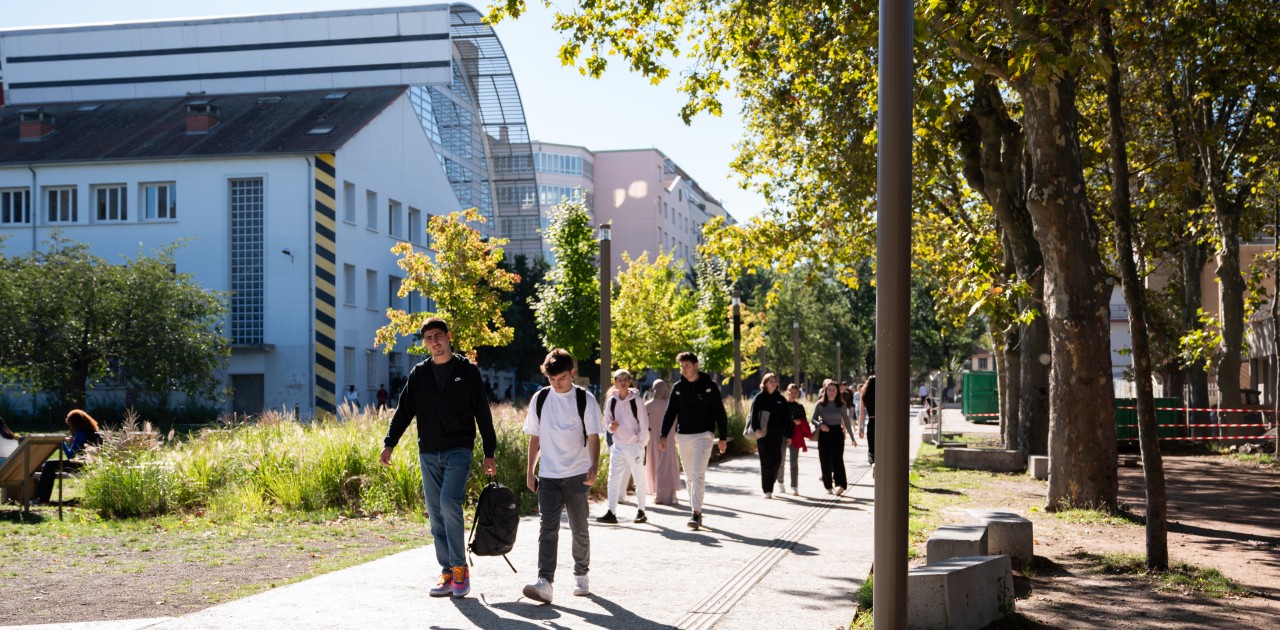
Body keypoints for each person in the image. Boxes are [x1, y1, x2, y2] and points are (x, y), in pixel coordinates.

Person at [381, 317, 497, 599]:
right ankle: (446, 571)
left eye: (438, 336)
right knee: (436, 515)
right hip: (429, 452)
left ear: (448, 336)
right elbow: (404, 411)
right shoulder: (420, 374)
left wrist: (489, 453)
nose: (434, 342)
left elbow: (482, 412)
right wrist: (389, 444)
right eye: (428, 338)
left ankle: (460, 569)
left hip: (459, 449)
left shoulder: (467, 371)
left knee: (449, 503)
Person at [522, 349, 602, 604]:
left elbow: (593, 437)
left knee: (579, 527)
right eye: (552, 379)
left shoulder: (585, 399)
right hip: (548, 475)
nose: (557, 384)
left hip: (578, 474)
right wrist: (530, 470)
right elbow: (535, 437)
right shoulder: (541, 398)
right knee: (548, 529)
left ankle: (581, 574)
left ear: (572, 374)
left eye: (562, 379)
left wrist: (594, 466)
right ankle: (545, 581)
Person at [659, 351, 729, 530]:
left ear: (696, 365)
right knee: (690, 476)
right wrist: (663, 435)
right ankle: (695, 509)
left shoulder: (709, 386)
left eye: (687, 366)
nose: (683, 369)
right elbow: (670, 413)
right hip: (683, 436)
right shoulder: (678, 388)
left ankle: (696, 513)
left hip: (704, 435)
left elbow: (720, 413)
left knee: (698, 473)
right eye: (681, 367)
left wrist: (722, 437)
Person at [597, 369, 650, 524]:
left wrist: (640, 446)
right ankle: (611, 512)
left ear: (629, 381)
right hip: (618, 446)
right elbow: (606, 423)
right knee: (613, 479)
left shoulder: (637, 401)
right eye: (619, 379)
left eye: (626, 379)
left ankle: (641, 511)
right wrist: (611, 427)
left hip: (634, 446)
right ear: (615, 382)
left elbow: (644, 425)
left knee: (639, 479)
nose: (623, 382)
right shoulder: (611, 401)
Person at [35, 409, 103, 504]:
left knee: (49, 465)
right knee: (49, 465)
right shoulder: (93, 432)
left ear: (75, 424)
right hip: (91, 465)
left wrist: (62, 443)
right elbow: (84, 448)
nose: (70, 428)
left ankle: (41, 499)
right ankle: (41, 498)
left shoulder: (80, 433)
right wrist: (72, 443)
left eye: (70, 425)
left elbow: (70, 455)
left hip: (81, 465)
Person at [748, 373, 790, 498]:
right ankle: (767, 490)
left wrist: (789, 434)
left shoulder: (781, 399)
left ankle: (770, 480)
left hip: (777, 434)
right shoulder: (759, 398)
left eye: (774, 381)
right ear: (765, 383)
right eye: (770, 381)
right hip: (763, 434)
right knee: (766, 461)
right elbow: (753, 415)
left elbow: (787, 418)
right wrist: (756, 429)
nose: (773, 383)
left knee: (777, 460)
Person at [812, 379, 855, 495]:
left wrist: (852, 437)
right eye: (829, 390)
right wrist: (820, 425)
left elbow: (846, 421)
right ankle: (828, 486)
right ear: (825, 391)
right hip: (824, 434)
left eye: (834, 390)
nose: (831, 392)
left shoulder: (841, 405)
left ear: (837, 392)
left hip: (837, 433)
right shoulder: (820, 404)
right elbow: (813, 419)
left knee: (837, 459)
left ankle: (840, 484)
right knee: (825, 460)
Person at [645, 380, 680, 505]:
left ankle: (658, 494)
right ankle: (670, 495)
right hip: (668, 439)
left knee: (655, 463)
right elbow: (677, 423)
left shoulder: (647, 405)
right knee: (668, 464)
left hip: (652, 439)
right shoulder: (670, 405)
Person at [776, 383, 811, 496]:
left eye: (796, 392)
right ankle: (780, 483)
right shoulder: (781, 405)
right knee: (781, 461)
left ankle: (794, 486)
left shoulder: (799, 407)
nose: (793, 394)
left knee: (794, 462)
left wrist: (799, 422)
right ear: (787, 391)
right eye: (791, 391)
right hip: (782, 435)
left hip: (795, 435)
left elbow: (805, 422)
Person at [859, 374, 877, 465]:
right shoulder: (881, 394)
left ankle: (872, 462)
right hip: (881, 422)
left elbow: (861, 413)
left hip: (871, 421)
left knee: (871, 446)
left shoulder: (864, 395)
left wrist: (860, 428)